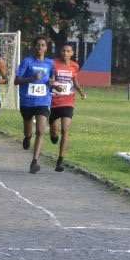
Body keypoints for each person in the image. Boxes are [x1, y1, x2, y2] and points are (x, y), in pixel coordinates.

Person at [14, 37, 55, 174]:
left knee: (41, 131)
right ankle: (27, 137)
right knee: (29, 130)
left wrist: (51, 83)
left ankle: (35, 161)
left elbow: (53, 79)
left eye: (43, 45)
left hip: (43, 101)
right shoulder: (27, 61)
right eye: (37, 45)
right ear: (33, 47)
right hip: (27, 101)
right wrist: (31, 79)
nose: (40, 47)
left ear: (46, 48)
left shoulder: (50, 63)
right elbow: (16, 80)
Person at [47, 42, 86, 172]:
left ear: (72, 53)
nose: (65, 53)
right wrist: (54, 85)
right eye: (63, 51)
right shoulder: (53, 64)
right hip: (54, 101)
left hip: (68, 101)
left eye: (68, 51)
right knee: (54, 131)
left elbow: (75, 81)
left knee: (65, 130)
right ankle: (53, 135)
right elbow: (50, 79)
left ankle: (60, 160)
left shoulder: (75, 66)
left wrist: (81, 91)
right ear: (60, 52)